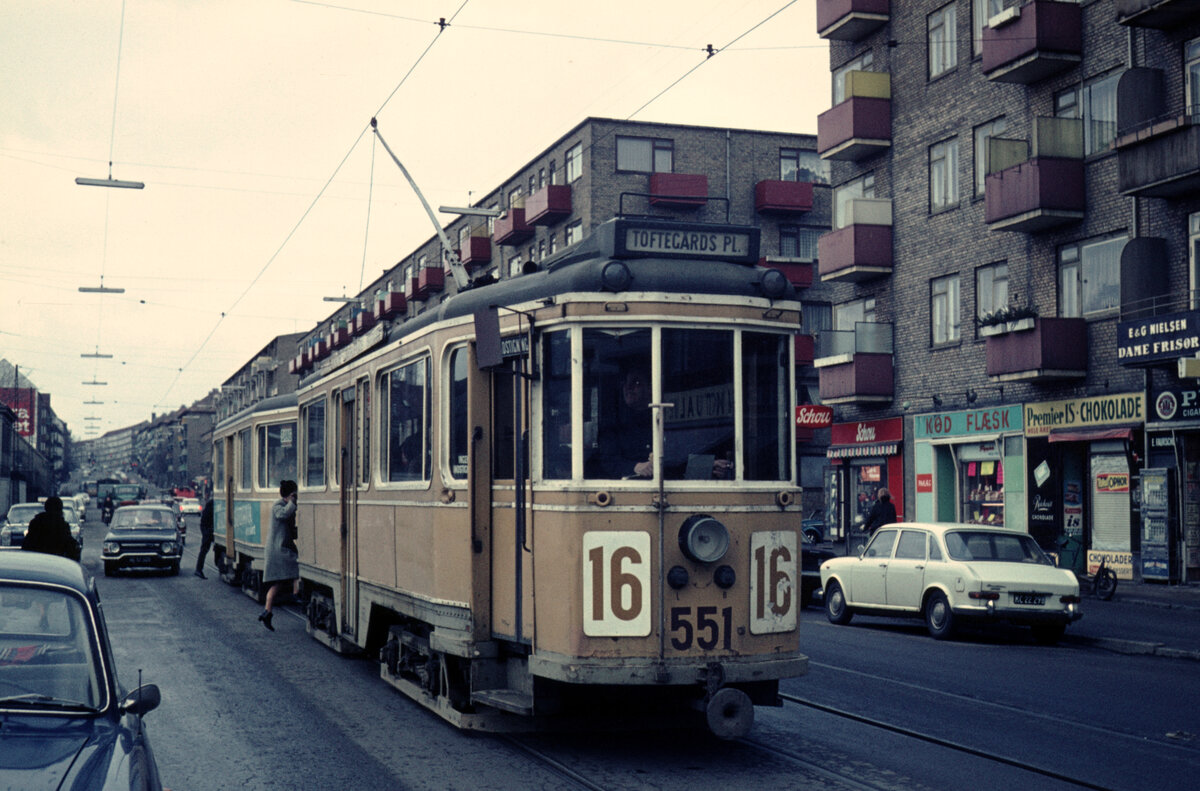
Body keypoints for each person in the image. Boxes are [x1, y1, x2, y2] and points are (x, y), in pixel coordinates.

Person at [588, 366, 653, 478]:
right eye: (625, 383)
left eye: (636, 383)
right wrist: (634, 467)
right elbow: (608, 461)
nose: (628, 388)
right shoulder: (613, 424)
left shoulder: (660, 419)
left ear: (650, 389)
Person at [258, 480, 299, 632]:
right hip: (278, 550)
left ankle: (267, 612)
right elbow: (283, 515)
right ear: (290, 495)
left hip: (281, 548)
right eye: (295, 494)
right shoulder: (278, 506)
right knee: (298, 565)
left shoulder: (286, 506)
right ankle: (296, 594)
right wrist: (293, 501)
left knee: (278, 583)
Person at [23, 496, 79, 561]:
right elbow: (70, 549)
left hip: (37, 562)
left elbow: (26, 545)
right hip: (57, 563)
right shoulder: (62, 525)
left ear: (46, 508)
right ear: (60, 510)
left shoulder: (36, 523)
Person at [194, 497, 215, 579]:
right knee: (204, 549)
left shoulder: (210, 505)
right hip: (208, 530)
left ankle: (198, 569)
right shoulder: (212, 505)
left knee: (204, 550)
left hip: (207, 529)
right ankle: (198, 569)